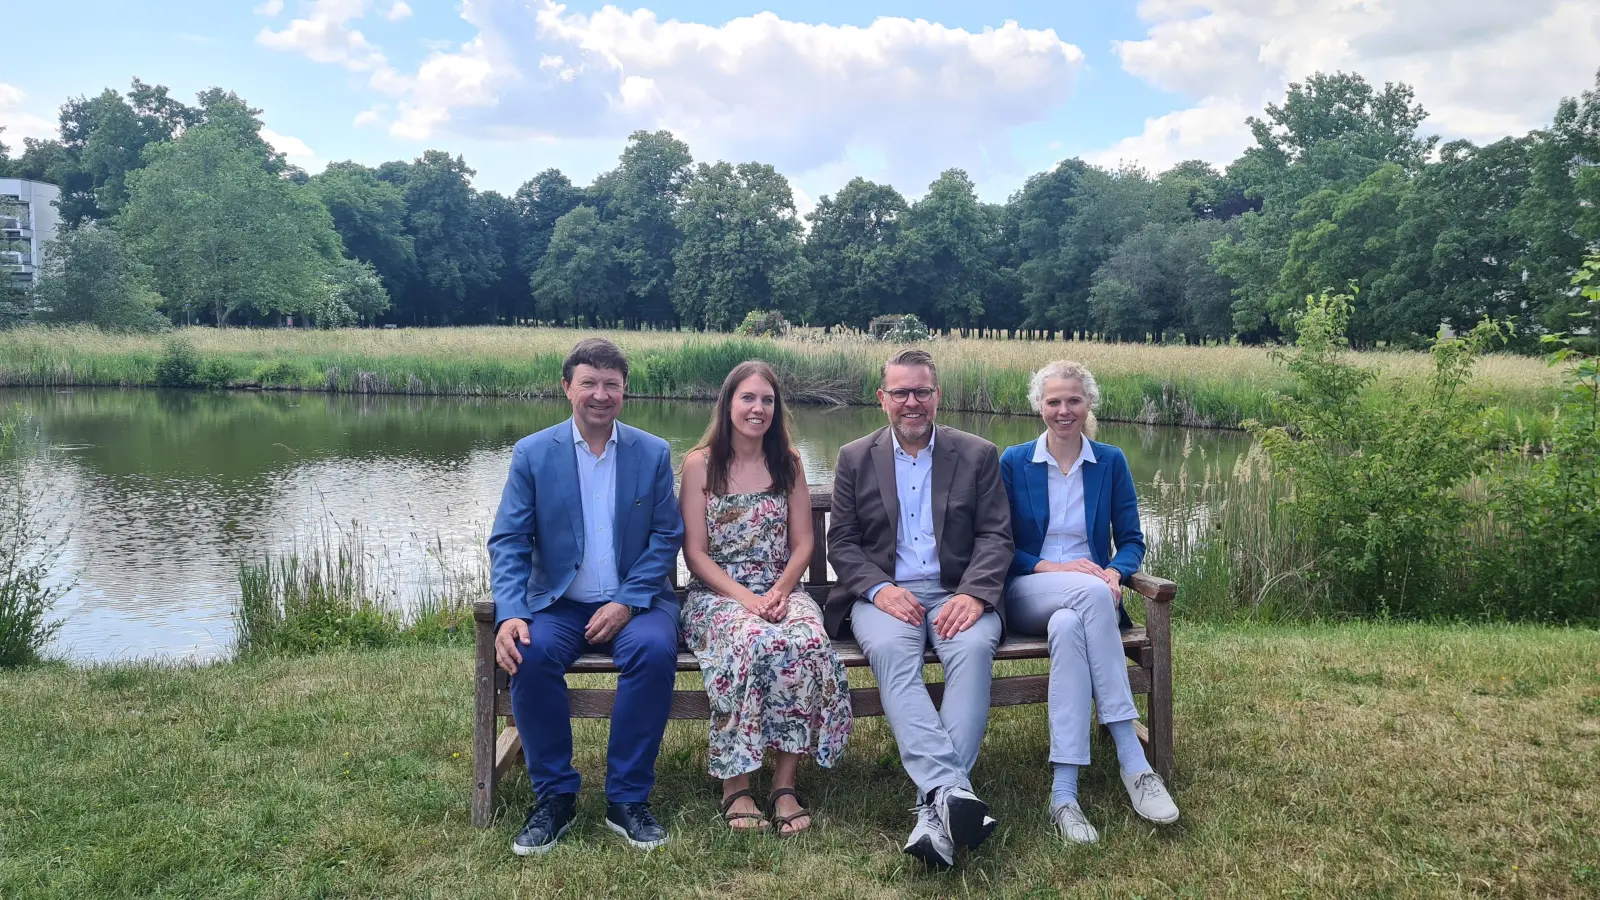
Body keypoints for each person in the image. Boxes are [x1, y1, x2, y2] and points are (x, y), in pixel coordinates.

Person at [488, 338, 685, 856]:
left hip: (636, 602)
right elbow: (509, 540)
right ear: (567, 388)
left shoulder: (652, 452)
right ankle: (555, 798)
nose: (600, 394)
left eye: (611, 385)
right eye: (589, 383)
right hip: (559, 603)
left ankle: (627, 800)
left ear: (624, 391)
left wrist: (626, 601)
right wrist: (509, 613)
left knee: (653, 651)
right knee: (527, 656)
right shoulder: (533, 454)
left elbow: (667, 537)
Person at [826, 348, 1013, 869]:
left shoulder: (976, 454)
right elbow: (841, 542)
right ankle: (952, 791)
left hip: (958, 592)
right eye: (901, 393)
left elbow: (996, 535)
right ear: (882, 398)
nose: (913, 402)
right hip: (887, 596)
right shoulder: (854, 457)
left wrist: (974, 594)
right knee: (891, 654)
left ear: (937, 396)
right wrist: (879, 590)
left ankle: (934, 809)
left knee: (974, 650)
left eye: (922, 392)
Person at [998, 360, 1180, 845]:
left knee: (1069, 627)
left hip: (1086, 603)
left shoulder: (1111, 462)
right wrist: (1060, 570)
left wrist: (1116, 571)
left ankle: (1064, 793)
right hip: (1027, 590)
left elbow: (1132, 540)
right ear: (1040, 405)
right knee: (1087, 593)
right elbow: (997, 544)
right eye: (1054, 401)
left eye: (1073, 401)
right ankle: (1132, 758)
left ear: (1088, 404)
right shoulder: (1014, 462)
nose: (1063, 410)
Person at [679, 361, 853, 837]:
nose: (758, 409)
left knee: (807, 642)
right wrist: (746, 600)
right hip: (718, 594)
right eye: (748, 398)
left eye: (767, 400)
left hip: (781, 588)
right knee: (753, 641)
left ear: (777, 409)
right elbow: (694, 553)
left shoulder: (788, 463)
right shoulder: (700, 464)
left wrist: (778, 592)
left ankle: (783, 784)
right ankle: (735, 784)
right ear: (728, 403)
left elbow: (803, 544)